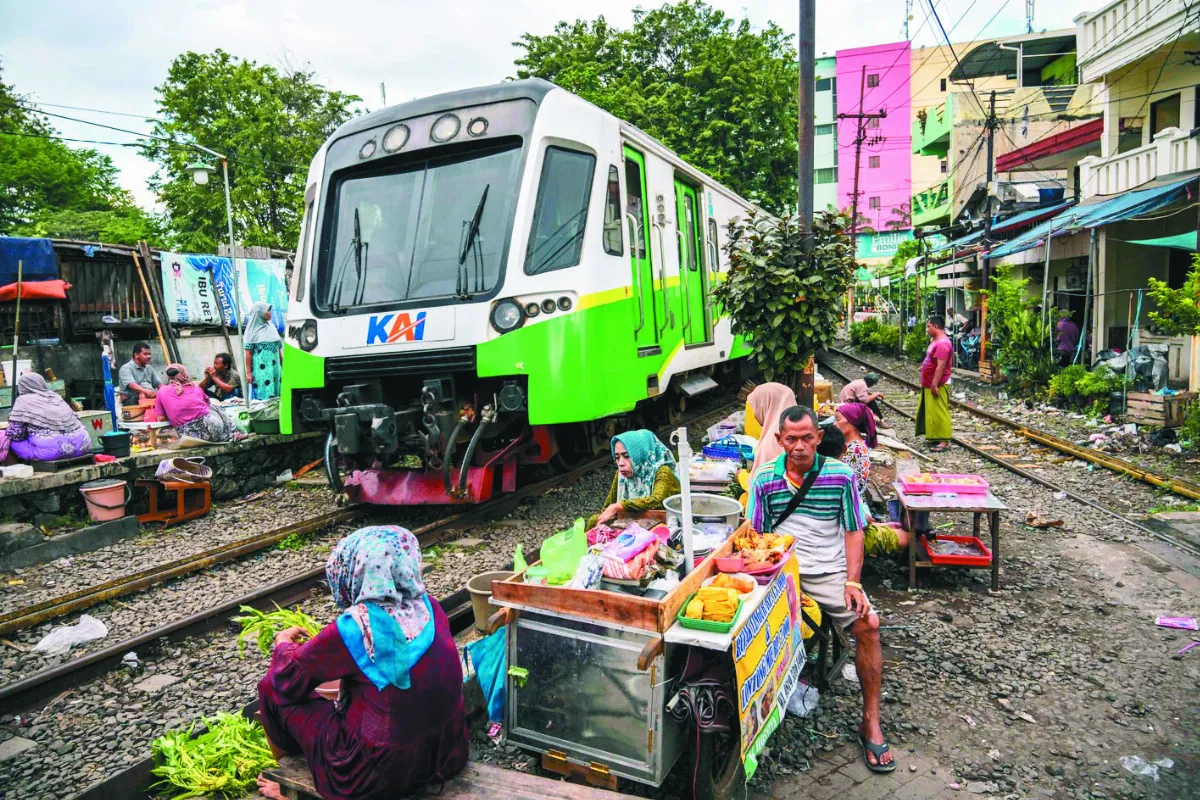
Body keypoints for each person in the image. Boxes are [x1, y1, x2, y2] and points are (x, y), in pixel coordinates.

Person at [255, 526, 469, 800]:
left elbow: (286, 679)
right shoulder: (431, 607)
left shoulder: (356, 627)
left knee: (270, 689)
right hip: (446, 754)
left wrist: (282, 645)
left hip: (377, 777)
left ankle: (289, 782)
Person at [746, 406, 894, 773]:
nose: (799, 446)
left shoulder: (840, 476)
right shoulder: (764, 479)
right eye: (791, 439)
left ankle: (871, 721)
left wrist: (853, 582)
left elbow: (854, 529)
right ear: (779, 440)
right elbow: (756, 537)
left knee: (869, 624)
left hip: (829, 570)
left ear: (818, 438)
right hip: (782, 567)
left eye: (807, 438)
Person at [835, 403, 910, 556]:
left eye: (837, 419)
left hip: (855, 503)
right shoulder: (854, 444)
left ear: (851, 424)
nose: (835, 424)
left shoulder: (853, 449)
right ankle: (883, 526)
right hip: (857, 502)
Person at [588, 430, 680, 529]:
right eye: (617, 457)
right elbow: (609, 505)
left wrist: (619, 506)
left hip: (663, 526)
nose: (620, 463)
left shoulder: (663, 472)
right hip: (631, 522)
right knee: (594, 520)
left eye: (627, 456)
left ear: (642, 454)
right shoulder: (620, 475)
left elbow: (655, 501)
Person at [0, 373, 91, 462]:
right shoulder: (55, 396)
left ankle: (14, 467)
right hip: (82, 446)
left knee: (6, 438)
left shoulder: (23, 400)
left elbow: (16, 434)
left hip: (53, 453)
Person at [153, 364, 239, 443]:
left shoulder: (161, 392)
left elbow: (160, 418)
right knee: (214, 407)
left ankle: (228, 435)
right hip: (212, 429)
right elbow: (207, 405)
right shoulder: (195, 388)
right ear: (184, 374)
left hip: (186, 436)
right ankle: (233, 433)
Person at [915, 315, 953, 452]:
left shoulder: (942, 343)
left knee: (940, 411)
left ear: (935, 327)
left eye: (928, 326)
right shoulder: (936, 341)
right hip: (930, 382)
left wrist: (934, 384)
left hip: (938, 383)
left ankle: (944, 441)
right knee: (932, 411)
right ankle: (935, 437)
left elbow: (941, 366)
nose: (927, 329)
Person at [746, 383, 797, 477]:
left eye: (756, 408)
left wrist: (740, 476)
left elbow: (760, 484)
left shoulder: (772, 441)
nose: (754, 414)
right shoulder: (804, 431)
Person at [244, 303, 283, 401]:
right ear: (259, 313)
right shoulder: (252, 331)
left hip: (275, 367)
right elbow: (248, 353)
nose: (270, 313)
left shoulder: (272, 327)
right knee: (264, 391)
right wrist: (248, 372)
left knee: (278, 390)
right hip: (261, 369)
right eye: (267, 311)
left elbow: (279, 349)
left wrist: (284, 365)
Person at [117, 342, 161, 407]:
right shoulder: (126, 368)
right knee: (143, 395)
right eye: (145, 354)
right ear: (136, 355)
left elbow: (159, 384)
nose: (149, 356)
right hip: (130, 399)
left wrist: (167, 391)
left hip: (148, 394)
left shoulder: (149, 368)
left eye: (149, 354)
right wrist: (146, 391)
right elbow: (131, 385)